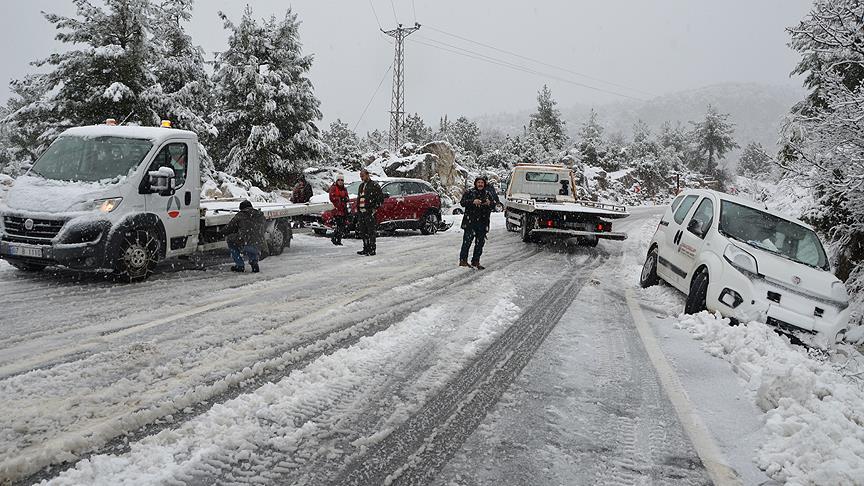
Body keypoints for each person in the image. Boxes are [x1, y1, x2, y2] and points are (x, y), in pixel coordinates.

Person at [459, 176, 494, 269]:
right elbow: (462, 202)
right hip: (470, 222)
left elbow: (494, 205)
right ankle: (463, 261)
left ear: (484, 184)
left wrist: (489, 203)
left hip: (483, 223)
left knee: (480, 244)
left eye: (482, 183)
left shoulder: (487, 194)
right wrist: (472, 201)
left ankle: (476, 261)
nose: (480, 184)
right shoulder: (469, 192)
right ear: (475, 183)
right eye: (478, 182)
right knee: (467, 242)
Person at [224, 200, 266, 273]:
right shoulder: (260, 215)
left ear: (241, 208)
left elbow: (229, 227)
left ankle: (240, 265)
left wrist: (221, 233)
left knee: (231, 240)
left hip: (246, 243)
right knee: (251, 240)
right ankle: (254, 263)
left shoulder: (240, 215)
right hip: (260, 244)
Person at [356, 168, 384, 256]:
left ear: (367, 175)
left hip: (369, 212)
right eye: (360, 176)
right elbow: (359, 197)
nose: (361, 178)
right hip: (361, 212)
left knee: (371, 231)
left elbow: (380, 198)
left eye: (363, 176)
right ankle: (365, 248)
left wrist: (374, 208)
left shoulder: (374, 185)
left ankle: (372, 249)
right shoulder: (361, 186)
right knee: (363, 231)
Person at [328, 174, 350, 246]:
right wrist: (340, 199)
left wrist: (345, 199)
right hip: (337, 210)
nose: (340, 181)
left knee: (342, 225)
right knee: (339, 225)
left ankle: (338, 239)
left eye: (342, 180)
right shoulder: (333, 188)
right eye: (339, 180)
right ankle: (335, 238)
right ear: (336, 181)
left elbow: (347, 197)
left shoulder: (344, 188)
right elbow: (332, 197)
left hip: (343, 209)